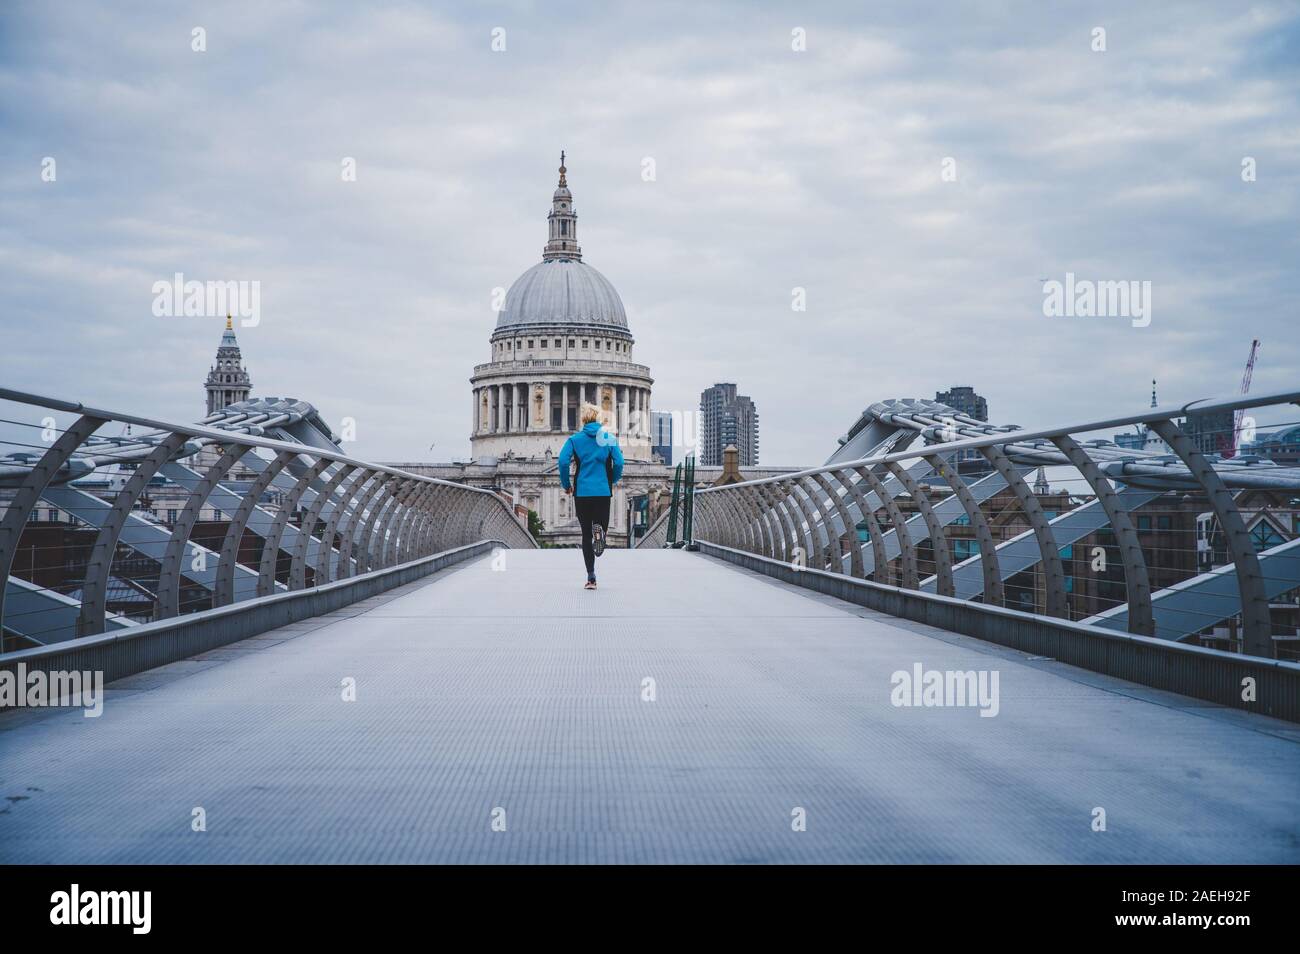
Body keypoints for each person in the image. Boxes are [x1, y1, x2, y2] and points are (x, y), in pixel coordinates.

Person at [558, 402, 624, 589]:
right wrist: (612, 479)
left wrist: (566, 484)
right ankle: (600, 532)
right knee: (601, 526)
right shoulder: (609, 439)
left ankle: (591, 578)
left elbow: (563, 462)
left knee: (586, 535)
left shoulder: (574, 440)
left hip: (582, 492)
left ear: (583, 420)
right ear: (598, 419)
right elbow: (619, 462)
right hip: (603, 491)